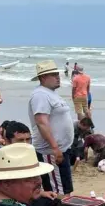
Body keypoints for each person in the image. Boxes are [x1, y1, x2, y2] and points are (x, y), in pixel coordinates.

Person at [29, 60, 75, 196]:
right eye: (53, 75)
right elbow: (41, 122)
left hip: (61, 150)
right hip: (51, 151)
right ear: (43, 78)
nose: (58, 77)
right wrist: (55, 147)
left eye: (57, 74)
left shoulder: (50, 93)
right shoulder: (40, 95)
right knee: (56, 193)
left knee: (65, 190)